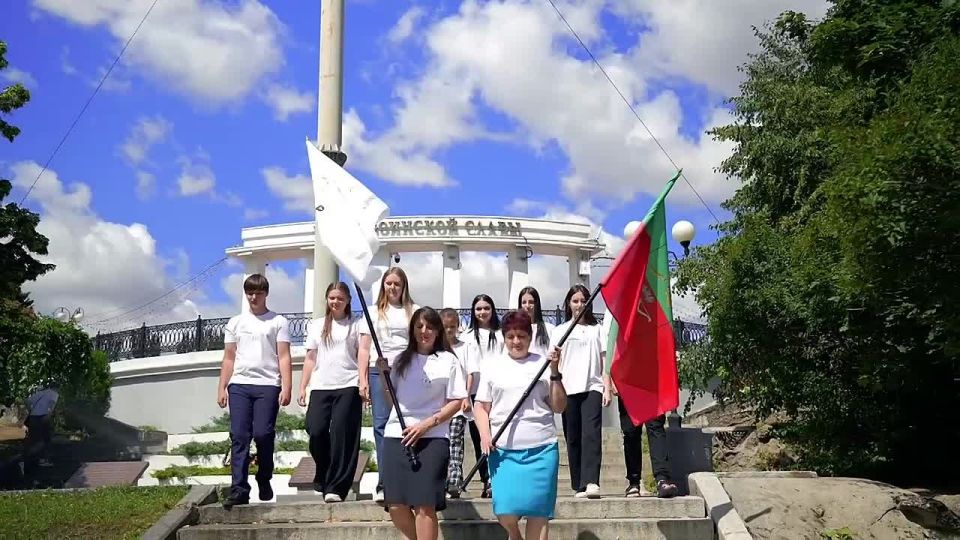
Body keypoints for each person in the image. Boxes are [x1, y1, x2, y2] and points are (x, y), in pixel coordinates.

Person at [474, 310, 566, 540]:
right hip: (503, 449)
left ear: (530, 337)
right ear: (504, 337)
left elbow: (559, 406)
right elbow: (481, 406)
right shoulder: (492, 365)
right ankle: (515, 534)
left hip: (542, 447)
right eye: (511, 336)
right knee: (504, 510)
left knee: (539, 513)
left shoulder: (543, 362)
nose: (516, 341)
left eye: (522, 336)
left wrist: (555, 372)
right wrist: (485, 434)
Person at [380, 307, 467, 540]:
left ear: (438, 331)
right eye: (419, 326)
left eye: (429, 327)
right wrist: (383, 376)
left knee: (424, 505)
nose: (424, 331)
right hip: (397, 434)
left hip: (433, 438)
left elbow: (457, 401)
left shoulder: (449, 360)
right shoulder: (401, 360)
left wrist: (427, 424)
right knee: (395, 505)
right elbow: (392, 400)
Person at [217, 273, 292, 508]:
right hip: (239, 384)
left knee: (263, 434)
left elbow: (284, 356)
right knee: (239, 436)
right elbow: (229, 357)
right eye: (250, 293)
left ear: (265, 294)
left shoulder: (278, 322)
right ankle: (239, 489)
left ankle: (264, 476)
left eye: (258, 293)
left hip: (268, 385)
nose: (253, 297)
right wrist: (222, 386)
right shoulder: (235, 322)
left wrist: (287, 386)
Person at [601, 310, 679, 498]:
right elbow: (608, 342)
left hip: (651, 375)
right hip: (627, 377)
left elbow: (664, 332)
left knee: (656, 427)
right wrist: (609, 378)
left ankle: (662, 478)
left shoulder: (652, 301)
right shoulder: (617, 305)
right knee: (630, 431)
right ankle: (634, 481)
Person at [298, 282, 364, 503]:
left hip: (348, 384)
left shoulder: (356, 324)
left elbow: (362, 354)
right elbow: (310, 358)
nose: (336, 302)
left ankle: (336, 487)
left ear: (348, 301)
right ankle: (323, 469)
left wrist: (363, 382)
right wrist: (303, 386)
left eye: (340, 298)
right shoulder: (317, 325)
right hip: (321, 385)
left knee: (340, 434)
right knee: (315, 429)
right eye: (332, 298)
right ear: (327, 299)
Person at [358, 267, 419, 503]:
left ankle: (407, 477)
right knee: (382, 425)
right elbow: (364, 349)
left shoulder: (413, 311)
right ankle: (385, 481)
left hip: (405, 371)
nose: (392, 287)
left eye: (397, 284)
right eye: (389, 283)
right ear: (383, 285)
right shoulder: (373, 312)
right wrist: (362, 379)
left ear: (404, 286)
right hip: (379, 370)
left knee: (408, 422)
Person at [549, 284, 611, 499]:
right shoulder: (560, 331)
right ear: (569, 304)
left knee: (591, 434)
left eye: (583, 301)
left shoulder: (597, 329)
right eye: (575, 301)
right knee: (573, 437)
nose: (579, 305)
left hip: (592, 386)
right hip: (568, 389)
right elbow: (554, 362)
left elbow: (604, 360)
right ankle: (579, 484)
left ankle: (592, 481)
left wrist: (607, 387)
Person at [462, 293, 503, 498]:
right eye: (478, 308)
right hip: (476, 393)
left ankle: (498, 479)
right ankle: (486, 480)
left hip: (497, 392)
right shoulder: (467, 336)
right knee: (480, 438)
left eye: (486, 308)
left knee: (497, 437)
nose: (482, 312)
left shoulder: (501, 334)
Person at [439, 308, 477, 498]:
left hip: (459, 403)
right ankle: (440, 480)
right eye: (445, 327)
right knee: (441, 442)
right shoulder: (436, 349)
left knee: (455, 441)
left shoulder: (465, 347)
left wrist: (466, 396)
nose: (449, 330)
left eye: (452, 327)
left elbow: (470, 373)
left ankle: (454, 480)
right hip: (439, 404)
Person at [22, 381, 59, 470]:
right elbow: (51, 404)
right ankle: (43, 460)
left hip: (33, 417)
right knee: (45, 438)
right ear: (56, 388)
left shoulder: (41, 393)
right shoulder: (54, 394)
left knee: (34, 438)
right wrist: (49, 415)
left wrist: (31, 410)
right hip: (43, 417)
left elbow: (27, 401)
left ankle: (30, 459)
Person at [518, 286, 555, 360]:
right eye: (524, 302)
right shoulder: (515, 330)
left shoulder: (550, 329)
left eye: (531, 302)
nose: (527, 306)